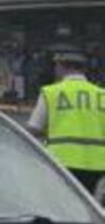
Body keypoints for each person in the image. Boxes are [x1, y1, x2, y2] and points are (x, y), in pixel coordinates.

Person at [29, 52, 105, 197]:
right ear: (84, 69)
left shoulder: (51, 92)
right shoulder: (102, 94)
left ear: (61, 67)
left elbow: (34, 127)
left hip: (61, 159)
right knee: (87, 200)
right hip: (98, 163)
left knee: (63, 201)